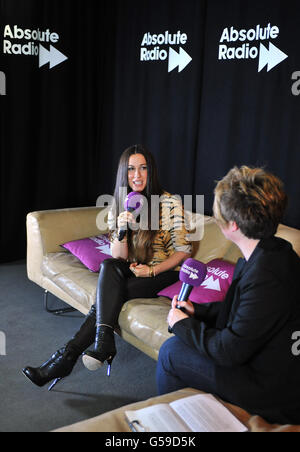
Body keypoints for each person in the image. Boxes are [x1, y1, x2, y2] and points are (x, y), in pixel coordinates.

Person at [23, 144, 192, 389]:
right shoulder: (122, 203)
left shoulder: (169, 203)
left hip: (165, 273)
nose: (137, 175)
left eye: (143, 168)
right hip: (135, 268)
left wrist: (153, 270)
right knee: (109, 266)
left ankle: (65, 358)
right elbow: (118, 257)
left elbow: (184, 251)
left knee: (112, 296)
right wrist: (122, 231)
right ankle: (102, 343)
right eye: (131, 169)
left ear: (151, 171)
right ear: (124, 173)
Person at [157, 166, 300, 425]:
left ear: (232, 225)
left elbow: (229, 351)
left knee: (171, 352)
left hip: (277, 391)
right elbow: (245, 312)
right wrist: (196, 312)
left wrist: (182, 325)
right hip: (268, 363)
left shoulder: (266, 275)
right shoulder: (275, 251)